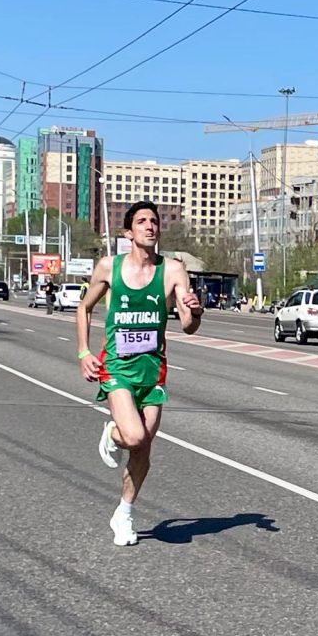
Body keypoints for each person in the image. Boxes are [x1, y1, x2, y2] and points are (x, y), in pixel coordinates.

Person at [76, 200, 204, 546]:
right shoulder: (108, 267)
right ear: (128, 232)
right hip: (117, 366)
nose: (150, 226)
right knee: (133, 437)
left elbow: (189, 326)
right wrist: (84, 351)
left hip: (153, 370)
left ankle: (124, 514)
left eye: (154, 221)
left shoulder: (174, 270)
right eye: (142, 222)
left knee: (144, 447)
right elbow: (84, 308)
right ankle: (113, 434)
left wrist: (196, 311)